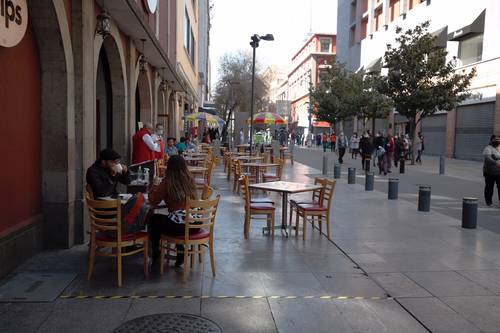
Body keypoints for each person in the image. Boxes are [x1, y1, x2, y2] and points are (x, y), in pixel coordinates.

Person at [148, 155, 198, 267]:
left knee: (154, 220)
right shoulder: (190, 180)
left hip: (181, 227)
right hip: (195, 224)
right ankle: (180, 249)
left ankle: (156, 251)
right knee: (172, 220)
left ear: (169, 167)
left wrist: (155, 185)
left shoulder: (167, 182)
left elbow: (153, 201)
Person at [86, 149, 148, 234]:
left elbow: (127, 182)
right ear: (104, 162)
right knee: (138, 203)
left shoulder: (111, 168)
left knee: (140, 201)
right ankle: (128, 233)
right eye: (113, 162)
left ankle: (127, 232)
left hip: (115, 204)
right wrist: (113, 176)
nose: (116, 164)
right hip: (103, 209)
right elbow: (102, 192)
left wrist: (126, 172)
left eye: (117, 162)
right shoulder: (93, 172)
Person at [483, 135, 500, 207]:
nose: (497, 141)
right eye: (496, 139)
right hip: (489, 172)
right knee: (489, 187)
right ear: (491, 140)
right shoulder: (488, 148)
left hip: (499, 172)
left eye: (499, 139)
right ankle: (488, 201)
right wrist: (496, 163)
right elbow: (487, 158)